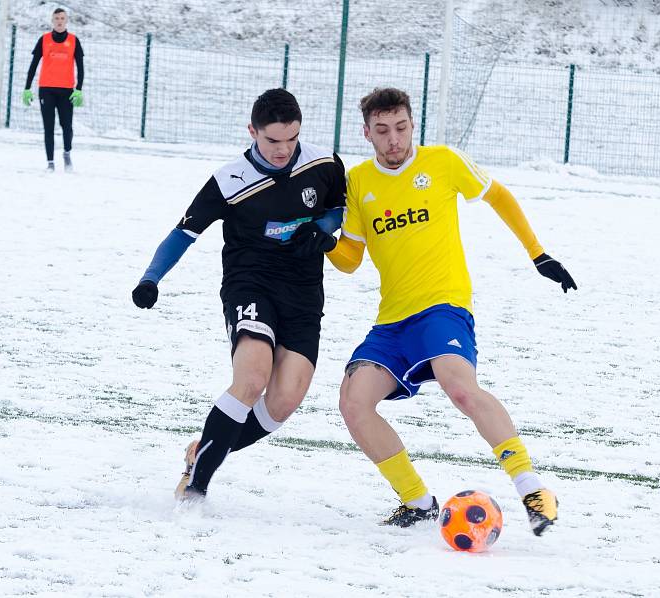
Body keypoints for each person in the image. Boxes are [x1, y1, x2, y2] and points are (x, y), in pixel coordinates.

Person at [297, 87, 576, 535]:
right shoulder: (360, 181)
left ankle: (532, 488)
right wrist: (327, 243)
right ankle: (417, 501)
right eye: (383, 131)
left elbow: (498, 196)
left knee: (460, 387)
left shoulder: (443, 162)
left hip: (443, 308)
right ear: (366, 132)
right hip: (391, 322)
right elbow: (350, 261)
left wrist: (538, 253)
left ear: (413, 126)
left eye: (402, 128)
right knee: (353, 402)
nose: (394, 140)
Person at [132, 88, 346, 502]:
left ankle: (202, 451)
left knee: (282, 403)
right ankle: (195, 488)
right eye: (272, 140)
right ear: (252, 131)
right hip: (251, 285)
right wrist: (150, 279)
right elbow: (184, 233)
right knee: (251, 379)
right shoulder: (229, 179)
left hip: (304, 295)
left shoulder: (325, 163)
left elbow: (341, 208)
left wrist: (321, 229)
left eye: (291, 139)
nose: (284, 150)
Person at [22, 7, 84, 172]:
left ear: (66, 21)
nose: (59, 21)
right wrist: (27, 88)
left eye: (62, 18)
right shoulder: (44, 40)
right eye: (56, 18)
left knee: (67, 126)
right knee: (48, 127)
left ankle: (67, 154)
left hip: (66, 90)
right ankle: (50, 163)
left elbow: (81, 67)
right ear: (52, 20)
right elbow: (33, 65)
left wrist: (79, 89)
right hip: (46, 89)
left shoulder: (74, 40)